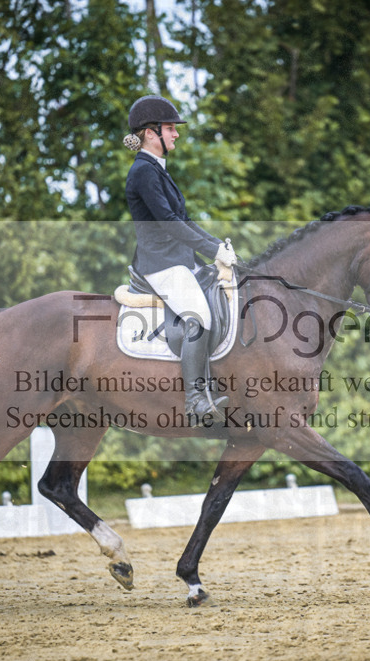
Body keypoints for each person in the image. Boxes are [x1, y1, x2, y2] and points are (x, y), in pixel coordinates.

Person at [123, 94, 236, 421]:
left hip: (181, 259)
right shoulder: (144, 172)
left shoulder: (157, 169)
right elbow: (170, 224)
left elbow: (183, 220)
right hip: (161, 263)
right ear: (150, 133)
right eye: (170, 128)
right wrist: (213, 250)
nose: (176, 134)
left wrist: (218, 248)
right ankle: (195, 401)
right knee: (199, 318)